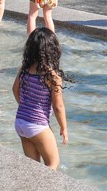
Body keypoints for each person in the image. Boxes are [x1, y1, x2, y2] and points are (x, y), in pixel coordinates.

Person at [12, 28, 70, 170]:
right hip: (37, 125)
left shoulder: (24, 69)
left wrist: (25, 107)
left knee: (33, 167)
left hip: (20, 122)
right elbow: (58, 106)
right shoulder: (52, 77)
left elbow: (15, 90)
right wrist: (63, 127)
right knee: (53, 163)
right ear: (53, 50)